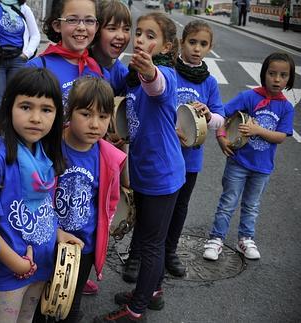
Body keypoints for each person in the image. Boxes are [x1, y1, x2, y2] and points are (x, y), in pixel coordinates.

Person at [94, 12, 184, 322]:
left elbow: (156, 85)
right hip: (146, 174)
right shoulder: (131, 78)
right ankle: (152, 292)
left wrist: (149, 72)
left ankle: (136, 310)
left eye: (150, 36)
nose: (141, 40)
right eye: (140, 33)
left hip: (163, 175)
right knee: (148, 238)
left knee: (150, 243)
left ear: (168, 47)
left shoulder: (165, 75)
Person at [0, 68, 69, 322]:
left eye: (46, 109)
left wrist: (58, 233)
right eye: (26, 106)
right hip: (5, 273)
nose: (36, 118)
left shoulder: (46, 154)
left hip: (42, 267)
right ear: (8, 106)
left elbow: (45, 207)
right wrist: (15, 262)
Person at [34, 77, 127, 322]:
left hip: (82, 246)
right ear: (69, 111)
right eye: (86, 114)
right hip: (46, 240)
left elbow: (110, 200)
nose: (95, 124)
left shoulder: (108, 158)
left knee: (69, 303)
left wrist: (101, 233)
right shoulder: (49, 147)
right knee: (39, 301)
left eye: (103, 116)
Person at [203, 52, 295, 262]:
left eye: (283, 75)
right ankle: (216, 239)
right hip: (238, 161)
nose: (277, 79)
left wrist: (257, 130)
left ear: (290, 79)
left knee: (252, 205)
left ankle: (245, 239)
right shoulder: (249, 97)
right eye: (272, 74)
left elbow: (281, 136)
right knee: (228, 202)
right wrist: (221, 137)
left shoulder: (286, 108)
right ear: (264, 74)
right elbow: (222, 114)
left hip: (262, 167)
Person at [167, 20, 225, 276]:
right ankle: (139, 253)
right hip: (165, 154)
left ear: (210, 48)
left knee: (180, 206)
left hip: (190, 159)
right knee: (154, 206)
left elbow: (220, 120)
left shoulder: (209, 83)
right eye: (192, 42)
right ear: (182, 43)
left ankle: (169, 251)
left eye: (203, 44)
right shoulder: (169, 71)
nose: (197, 49)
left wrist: (209, 114)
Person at [85, 0, 132, 295]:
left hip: (104, 157)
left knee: (95, 216)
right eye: (112, 27)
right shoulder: (83, 66)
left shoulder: (120, 70)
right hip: (79, 153)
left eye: (126, 28)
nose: (121, 35)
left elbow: (125, 113)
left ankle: (81, 271)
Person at [26, 0, 104, 108]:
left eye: (89, 20)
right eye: (72, 20)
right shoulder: (35, 68)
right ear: (57, 25)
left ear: (96, 27)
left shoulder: (100, 71)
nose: (81, 27)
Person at [0, 0, 40, 130]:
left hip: (18, 60)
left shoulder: (24, 8)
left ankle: (11, 137)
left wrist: (26, 54)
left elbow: (35, 35)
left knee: (15, 100)